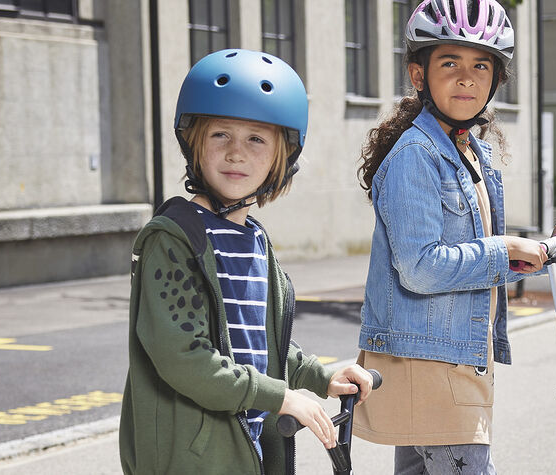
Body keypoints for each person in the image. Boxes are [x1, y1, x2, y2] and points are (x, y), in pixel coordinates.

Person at [351, 1, 556, 473]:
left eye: (481, 64)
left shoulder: (466, 151)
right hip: (434, 368)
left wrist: (540, 246)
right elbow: (421, 267)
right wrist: (506, 251)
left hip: (450, 360)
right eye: (450, 63)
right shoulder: (417, 155)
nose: (466, 77)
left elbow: (467, 248)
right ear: (419, 76)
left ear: (496, 79)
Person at [120, 48, 376, 475]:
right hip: (193, 458)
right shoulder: (174, 240)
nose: (236, 153)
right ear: (195, 142)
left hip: (251, 450)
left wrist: (320, 377)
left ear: (282, 156)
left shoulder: (255, 241)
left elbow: (261, 343)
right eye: (221, 134)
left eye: (256, 139)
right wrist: (281, 397)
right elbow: (186, 357)